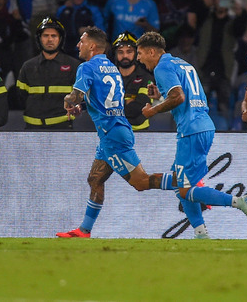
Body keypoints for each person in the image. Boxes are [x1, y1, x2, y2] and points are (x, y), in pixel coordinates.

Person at [136, 31, 247, 238]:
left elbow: (179, 97)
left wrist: (153, 109)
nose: (138, 58)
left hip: (191, 130)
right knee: (179, 182)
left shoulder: (162, 67)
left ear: (151, 51)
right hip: (202, 125)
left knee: (184, 189)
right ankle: (201, 233)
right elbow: (185, 96)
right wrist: (160, 97)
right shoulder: (183, 64)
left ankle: (239, 202)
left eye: (139, 53)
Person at [56, 27, 174, 238]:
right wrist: (82, 106)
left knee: (141, 183)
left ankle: (184, 181)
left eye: (81, 42)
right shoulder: (112, 68)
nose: (78, 45)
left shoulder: (86, 68)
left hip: (112, 134)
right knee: (95, 179)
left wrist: (68, 102)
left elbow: (74, 96)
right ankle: (84, 230)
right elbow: (104, 99)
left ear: (92, 46)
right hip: (113, 131)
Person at [16, 17, 81, 129]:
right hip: (32, 128)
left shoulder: (74, 65)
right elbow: (21, 97)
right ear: (39, 39)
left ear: (60, 39)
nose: (49, 39)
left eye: (54, 36)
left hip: (63, 127)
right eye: (45, 36)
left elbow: (80, 96)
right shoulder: (28, 66)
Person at [112, 31, 154, 130]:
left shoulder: (147, 78)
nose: (125, 56)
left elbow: (140, 108)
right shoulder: (109, 77)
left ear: (136, 53)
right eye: (120, 52)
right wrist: (129, 102)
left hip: (140, 132)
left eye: (129, 51)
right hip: (115, 131)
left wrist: (117, 105)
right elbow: (102, 106)